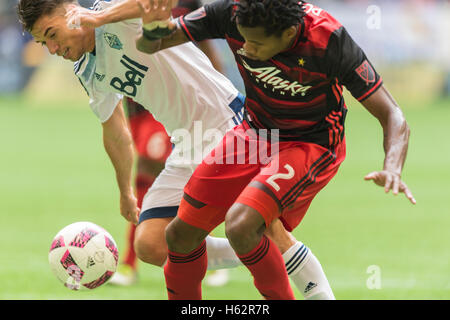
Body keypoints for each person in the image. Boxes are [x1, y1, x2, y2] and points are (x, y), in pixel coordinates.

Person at [17, 0, 338, 299]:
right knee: (151, 244)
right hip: (185, 144)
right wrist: (125, 191)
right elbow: (114, 131)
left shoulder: (112, 14)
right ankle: (248, 250)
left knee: (265, 228)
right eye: (44, 43)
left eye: (52, 34)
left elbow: (156, 4)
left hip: (229, 123)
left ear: (72, 12)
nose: (53, 49)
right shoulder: (86, 71)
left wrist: (99, 18)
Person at [129, 0, 416, 300]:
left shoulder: (328, 39)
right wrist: (151, 30)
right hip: (253, 133)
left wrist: (393, 166)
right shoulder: (230, 11)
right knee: (178, 236)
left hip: (310, 143)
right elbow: (153, 44)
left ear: (289, 33)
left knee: (241, 225)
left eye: (256, 42)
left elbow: (393, 115)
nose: (246, 50)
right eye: (243, 39)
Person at [109, 0, 229, 287]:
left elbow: (206, 48)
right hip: (139, 104)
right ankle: (205, 250)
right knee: (155, 171)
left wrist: (217, 90)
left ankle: (131, 262)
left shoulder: (187, 4)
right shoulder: (121, 5)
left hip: (180, 105)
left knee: (158, 168)